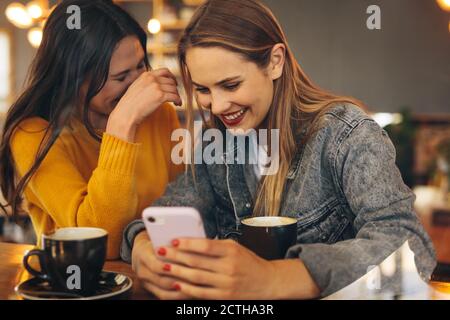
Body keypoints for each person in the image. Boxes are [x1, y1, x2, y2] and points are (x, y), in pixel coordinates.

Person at [121, 0, 436, 299]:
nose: (216, 106)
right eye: (203, 90)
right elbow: (165, 215)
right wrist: (144, 248)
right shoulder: (215, 142)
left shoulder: (347, 135)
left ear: (275, 62)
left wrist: (276, 279)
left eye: (230, 85)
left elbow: (412, 249)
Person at [0, 0, 183, 259]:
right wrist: (121, 126)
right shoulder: (33, 135)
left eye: (141, 65)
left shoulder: (159, 114)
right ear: (74, 80)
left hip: (157, 273)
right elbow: (98, 241)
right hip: (75, 287)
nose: (138, 85)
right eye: (120, 77)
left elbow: (182, 206)